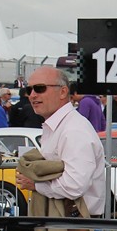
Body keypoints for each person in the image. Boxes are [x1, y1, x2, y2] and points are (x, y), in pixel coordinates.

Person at [15, 66, 106, 220]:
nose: (32, 95)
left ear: (63, 92)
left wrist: (35, 185)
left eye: (40, 88)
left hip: (78, 226)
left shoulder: (74, 130)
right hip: (65, 220)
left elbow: (74, 185)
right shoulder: (59, 126)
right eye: (29, 89)